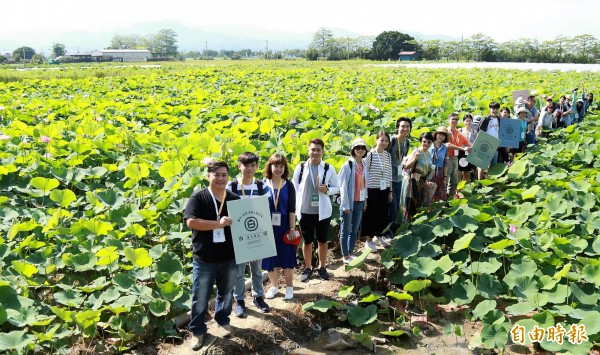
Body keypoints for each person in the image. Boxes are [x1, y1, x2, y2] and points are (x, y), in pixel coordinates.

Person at [184, 161, 240, 351]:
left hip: (229, 257)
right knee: (200, 296)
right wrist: (218, 223)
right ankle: (198, 331)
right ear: (208, 175)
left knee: (226, 293)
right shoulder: (198, 197)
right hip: (205, 258)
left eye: (224, 175)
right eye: (217, 174)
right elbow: (191, 222)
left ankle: (222, 320)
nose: (221, 178)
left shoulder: (233, 198)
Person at [224, 152, 271, 317]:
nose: (249, 169)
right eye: (246, 165)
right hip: (238, 235)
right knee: (238, 270)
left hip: (256, 233)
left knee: (257, 269)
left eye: (253, 165)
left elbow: (266, 209)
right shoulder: (232, 186)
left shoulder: (262, 186)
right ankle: (240, 300)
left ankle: (258, 296)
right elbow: (226, 207)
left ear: (257, 167)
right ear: (239, 166)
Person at [293, 138, 340, 282]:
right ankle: (308, 267)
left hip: (322, 211)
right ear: (308, 150)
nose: (315, 152)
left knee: (322, 240)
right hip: (305, 210)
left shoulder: (328, 168)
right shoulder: (300, 168)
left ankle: (322, 267)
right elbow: (294, 189)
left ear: (322, 151)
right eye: (313, 149)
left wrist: (327, 190)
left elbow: (337, 187)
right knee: (307, 241)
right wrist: (294, 209)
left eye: (318, 150)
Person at [262, 154, 298, 300]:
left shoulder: (288, 185)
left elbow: (291, 209)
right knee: (271, 259)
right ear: (270, 167)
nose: (278, 169)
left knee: (287, 257)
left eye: (281, 166)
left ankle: (289, 287)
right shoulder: (263, 185)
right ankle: (274, 287)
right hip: (267, 227)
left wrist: (292, 229)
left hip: (284, 227)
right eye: (275, 165)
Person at [338, 138, 369, 264]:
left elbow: (364, 184)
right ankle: (345, 255)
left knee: (355, 229)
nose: (360, 150)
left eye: (362, 148)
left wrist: (365, 200)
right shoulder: (348, 165)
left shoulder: (364, 164)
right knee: (346, 229)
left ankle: (350, 253)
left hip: (360, 201)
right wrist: (345, 205)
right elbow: (342, 186)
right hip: (349, 203)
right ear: (353, 150)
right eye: (357, 148)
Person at [362, 132, 393, 251]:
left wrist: (390, 191)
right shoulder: (370, 155)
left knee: (382, 213)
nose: (384, 143)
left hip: (384, 189)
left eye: (386, 141)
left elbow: (389, 173)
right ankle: (368, 240)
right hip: (371, 189)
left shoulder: (387, 155)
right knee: (370, 214)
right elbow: (364, 174)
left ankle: (378, 236)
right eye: (382, 140)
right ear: (376, 140)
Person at [385, 117, 411, 237]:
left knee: (397, 206)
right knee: (392, 206)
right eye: (403, 126)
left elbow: (402, 159)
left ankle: (392, 230)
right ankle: (387, 232)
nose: (405, 129)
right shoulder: (392, 141)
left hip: (399, 178)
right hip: (387, 179)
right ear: (397, 128)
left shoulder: (407, 142)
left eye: (407, 126)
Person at [401, 132, 434, 222]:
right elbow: (407, 166)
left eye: (429, 142)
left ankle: (415, 221)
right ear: (421, 141)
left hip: (421, 181)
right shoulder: (417, 151)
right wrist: (415, 158)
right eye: (424, 141)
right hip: (412, 182)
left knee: (418, 202)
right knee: (410, 202)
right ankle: (406, 222)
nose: (426, 144)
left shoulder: (429, 154)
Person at [446, 113, 472, 197]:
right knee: (445, 180)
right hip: (447, 158)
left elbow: (468, 143)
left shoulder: (458, 133)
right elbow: (448, 145)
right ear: (449, 120)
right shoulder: (445, 132)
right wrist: (462, 149)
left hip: (455, 159)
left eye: (456, 119)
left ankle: (451, 198)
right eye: (453, 119)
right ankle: (442, 200)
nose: (454, 121)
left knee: (454, 181)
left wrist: (478, 148)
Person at [476, 102, 501, 180]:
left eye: (496, 109)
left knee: (492, 165)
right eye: (493, 109)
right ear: (490, 109)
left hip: (495, 144)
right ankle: (480, 182)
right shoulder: (486, 119)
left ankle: (488, 180)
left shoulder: (499, 119)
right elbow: (480, 132)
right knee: (482, 164)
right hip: (486, 143)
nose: (495, 111)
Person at [429, 127, 449, 202]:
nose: (441, 136)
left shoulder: (445, 148)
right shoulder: (429, 144)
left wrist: (445, 177)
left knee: (438, 194)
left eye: (443, 135)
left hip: (440, 173)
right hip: (429, 172)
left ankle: (436, 211)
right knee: (428, 193)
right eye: (440, 134)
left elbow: (446, 164)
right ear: (436, 134)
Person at [458, 114, 477, 183]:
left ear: (472, 122)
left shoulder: (475, 132)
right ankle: (457, 189)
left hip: (470, 153)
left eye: (470, 121)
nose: (468, 122)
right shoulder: (459, 131)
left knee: (467, 172)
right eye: (466, 121)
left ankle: (466, 189)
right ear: (463, 122)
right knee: (459, 172)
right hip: (460, 153)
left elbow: (476, 143)